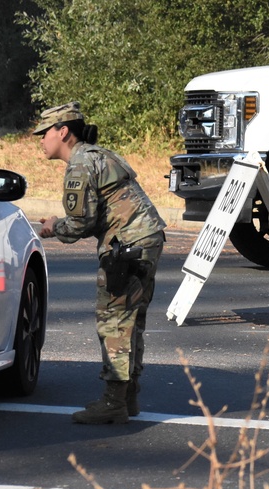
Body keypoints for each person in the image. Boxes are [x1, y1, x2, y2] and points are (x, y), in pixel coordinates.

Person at [34, 102, 167, 423]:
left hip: (127, 246)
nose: (40, 139)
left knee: (114, 321)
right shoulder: (98, 155)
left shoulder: (80, 166)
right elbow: (95, 217)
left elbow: (81, 223)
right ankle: (128, 396)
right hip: (147, 239)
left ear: (63, 132)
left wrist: (54, 227)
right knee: (131, 320)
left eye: (44, 132)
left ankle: (114, 403)